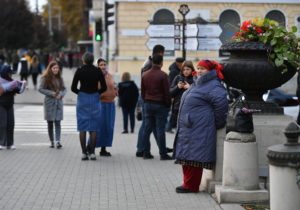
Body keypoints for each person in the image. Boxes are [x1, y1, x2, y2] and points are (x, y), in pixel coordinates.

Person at [174, 59, 228, 193]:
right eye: (198, 68)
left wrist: (216, 123)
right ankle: (187, 183)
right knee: (186, 156)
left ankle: (191, 186)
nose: (198, 71)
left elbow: (221, 106)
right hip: (189, 126)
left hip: (199, 126)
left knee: (194, 157)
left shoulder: (214, 85)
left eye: (202, 69)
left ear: (210, 71)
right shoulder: (198, 83)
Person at [71, 52, 107, 160]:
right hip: (95, 99)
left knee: (82, 127)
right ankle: (92, 153)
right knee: (94, 128)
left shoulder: (79, 70)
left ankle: (83, 153)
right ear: (93, 61)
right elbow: (104, 87)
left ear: (84, 60)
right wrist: (97, 93)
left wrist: (81, 93)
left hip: (83, 99)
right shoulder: (97, 71)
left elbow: (73, 87)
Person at [141, 54, 173, 160]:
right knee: (160, 130)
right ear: (161, 62)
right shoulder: (163, 75)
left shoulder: (145, 75)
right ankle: (163, 154)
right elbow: (166, 92)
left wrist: (145, 102)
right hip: (160, 105)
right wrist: (168, 104)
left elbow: (143, 91)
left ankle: (146, 153)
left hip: (147, 104)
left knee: (147, 129)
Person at [136, 44, 165, 157]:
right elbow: (148, 83)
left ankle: (158, 147)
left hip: (147, 98)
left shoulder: (147, 62)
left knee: (149, 125)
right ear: (160, 53)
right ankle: (141, 149)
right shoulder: (149, 65)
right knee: (146, 125)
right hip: (149, 99)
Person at [39, 61, 66, 149]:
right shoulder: (45, 78)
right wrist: (52, 93)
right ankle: (52, 141)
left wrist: (61, 94)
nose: (56, 70)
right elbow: (40, 89)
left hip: (58, 102)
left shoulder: (60, 78)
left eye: (57, 68)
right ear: (50, 69)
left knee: (58, 122)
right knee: (50, 123)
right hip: (49, 103)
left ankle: (58, 141)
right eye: (54, 68)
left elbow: (65, 89)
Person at [95, 58, 118, 157]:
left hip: (111, 105)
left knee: (109, 127)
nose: (103, 66)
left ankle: (103, 149)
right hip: (101, 104)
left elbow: (115, 86)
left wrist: (116, 91)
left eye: (104, 64)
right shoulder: (96, 77)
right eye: (101, 65)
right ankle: (89, 146)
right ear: (98, 66)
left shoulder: (110, 76)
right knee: (99, 127)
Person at [0, 65, 26, 150]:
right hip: (1, 105)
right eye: (10, 73)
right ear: (5, 73)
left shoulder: (13, 82)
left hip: (10, 105)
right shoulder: (1, 81)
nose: (11, 75)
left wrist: (22, 85)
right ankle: (2, 143)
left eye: (11, 73)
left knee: (11, 124)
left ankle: (10, 143)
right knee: (3, 124)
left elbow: (19, 90)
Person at [170, 60, 195, 128]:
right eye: (184, 69)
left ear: (192, 69)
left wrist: (190, 88)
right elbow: (170, 93)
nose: (185, 71)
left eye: (188, 69)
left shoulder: (195, 79)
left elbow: (199, 94)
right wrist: (177, 87)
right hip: (178, 109)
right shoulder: (178, 78)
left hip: (190, 109)